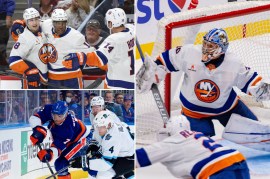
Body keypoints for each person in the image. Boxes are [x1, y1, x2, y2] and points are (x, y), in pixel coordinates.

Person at [136, 28, 270, 137]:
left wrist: (261, 89)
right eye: (205, 44)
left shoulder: (233, 63)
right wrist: (153, 73)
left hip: (227, 108)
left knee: (257, 134)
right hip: (193, 112)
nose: (205, 48)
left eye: (211, 46)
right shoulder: (189, 53)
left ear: (221, 49)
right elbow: (164, 60)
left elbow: (249, 80)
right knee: (199, 149)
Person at [136, 115, 250, 179]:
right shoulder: (197, 135)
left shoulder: (172, 143)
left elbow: (138, 157)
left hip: (218, 169)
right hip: (237, 159)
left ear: (169, 131)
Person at [63, 8, 135, 89]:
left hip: (117, 83)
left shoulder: (113, 40)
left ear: (110, 23)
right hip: (132, 78)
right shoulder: (132, 30)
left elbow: (97, 58)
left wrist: (79, 57)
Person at [29, 100, 92, 179]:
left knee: (61, 163)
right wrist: (37, 128)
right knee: (60, 164)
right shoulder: (51, 109)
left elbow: (58, 148)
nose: (56, 118)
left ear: (66, 114)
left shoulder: (67, 129)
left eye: (60, 116)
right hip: (72, 138)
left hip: (83, 139)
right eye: (54, 115)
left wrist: (49, 154)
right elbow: (35, 117)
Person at [88, 110, 134, 179]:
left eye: (101, 126)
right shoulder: (112, 125)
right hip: (124, 154)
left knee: (102, 175)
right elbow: (126, 126)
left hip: (128, 159)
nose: (99, 129)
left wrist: (85, 163)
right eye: (98, 126)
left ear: (109, 124)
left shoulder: (113, 136)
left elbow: (106, 164)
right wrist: (93, 145)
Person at [9, 7, 48, 89]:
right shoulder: (24, 38)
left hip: (47, 76)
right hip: (32, 79)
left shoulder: (45, 27)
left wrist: (18, 22)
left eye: (36, 19)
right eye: (31, 20)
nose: (35, 23)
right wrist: (29, 70)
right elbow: (13, 60)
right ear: (26, 22)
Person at [0, 0, 15, 68]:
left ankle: (2, 63)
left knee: (2, 39)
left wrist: (9, 15)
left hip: (2, 14)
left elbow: (10, 1)